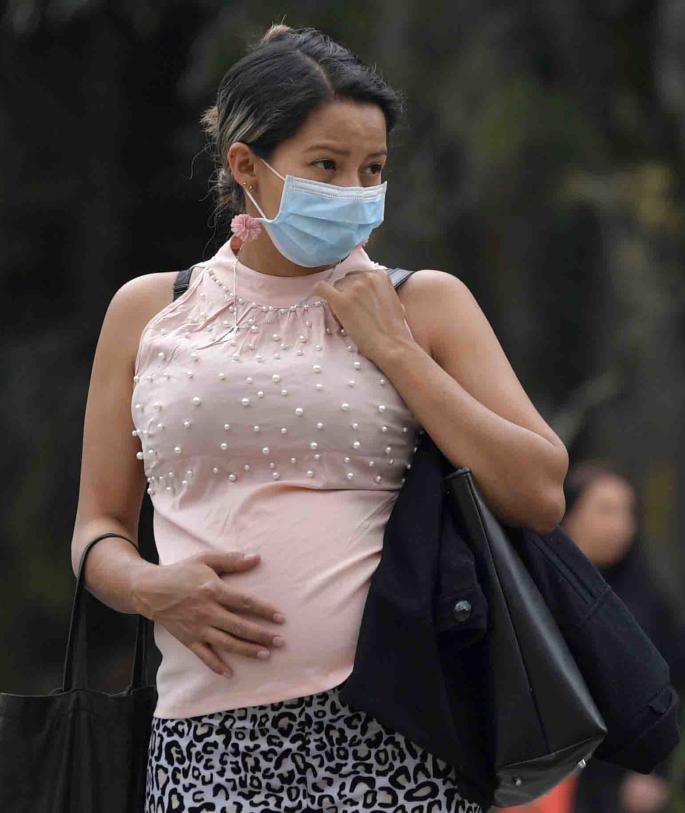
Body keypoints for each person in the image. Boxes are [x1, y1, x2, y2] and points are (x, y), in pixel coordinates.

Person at [67, 24, 571, 813]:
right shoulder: (147, 311)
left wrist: (397, 352)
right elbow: (97, 525)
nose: (355, 191)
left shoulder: (423, 302)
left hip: (398, 722)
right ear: (247, 168)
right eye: (326, 167)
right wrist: (151, 588)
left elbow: (540, 489)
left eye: (372, 169)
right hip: (206, 737)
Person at [560, 462, 682, 813]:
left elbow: (670, 691)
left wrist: (655, 772)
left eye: (628, 513)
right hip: (539, 770)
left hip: (615, 778)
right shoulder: (533, 590)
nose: (620, 526)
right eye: (605, 511)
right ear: (568, 514)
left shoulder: (646, 599)